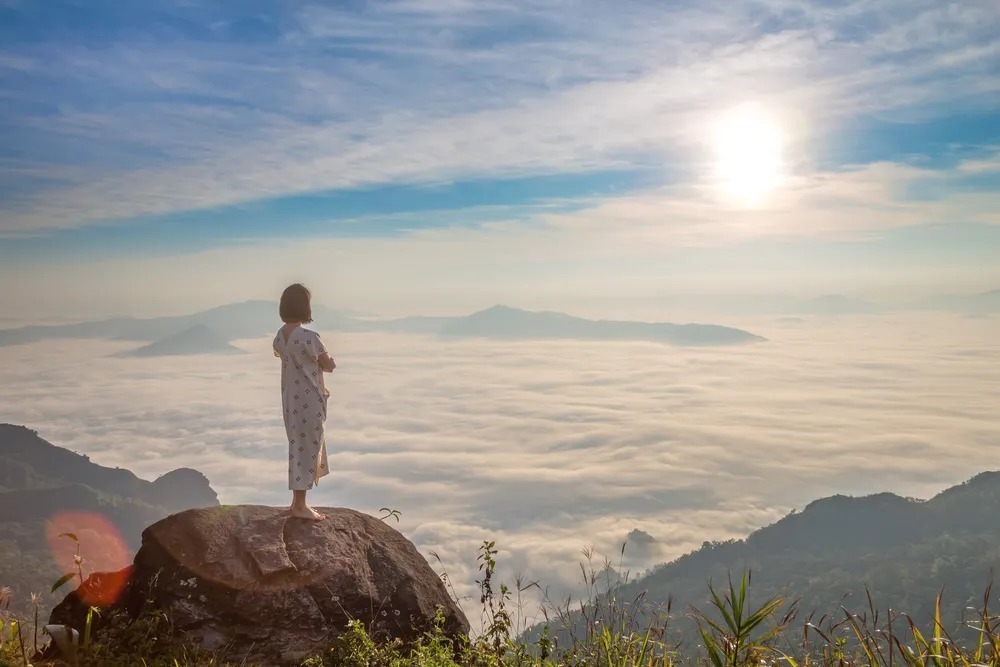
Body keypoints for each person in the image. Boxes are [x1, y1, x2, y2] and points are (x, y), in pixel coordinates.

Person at [273, 283, 336, 520]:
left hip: (290, 399)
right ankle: (300, 506)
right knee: (308, 447)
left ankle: (296, 503)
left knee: (297, 446)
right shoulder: (309, 337)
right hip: (309, 398)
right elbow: (328, 366)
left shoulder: (281, 336)